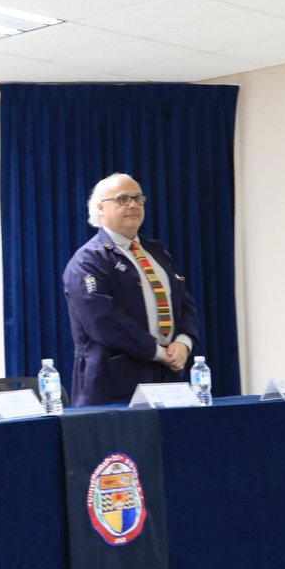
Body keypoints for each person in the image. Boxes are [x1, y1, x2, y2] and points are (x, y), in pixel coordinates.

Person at [62, 172, 198, 406]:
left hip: (166, 379)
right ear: (100, 208)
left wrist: (184, 343)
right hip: (114, 386)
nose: (134, 204)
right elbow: (104, 322)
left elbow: (183, 302)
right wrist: (158, 352)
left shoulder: (156, 251)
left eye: (138, 198)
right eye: (123, 199)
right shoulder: (88, 261)